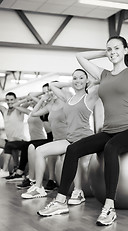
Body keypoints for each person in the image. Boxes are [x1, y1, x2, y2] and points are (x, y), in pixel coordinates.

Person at [37, 36, 128, 226]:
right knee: (73, 150)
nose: (112, 52)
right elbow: (81, 56)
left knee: (110, 148)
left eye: (116, 49)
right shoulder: (103, 74)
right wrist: (105, 52)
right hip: (108, 130)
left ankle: (109, 207)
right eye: (109, 49)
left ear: (125, 50)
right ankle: (61, 201)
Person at [21, 69, 99, 202]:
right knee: (40, 151)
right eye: (75, 78)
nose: (77, 80)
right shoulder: (68, 99)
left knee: (74, 152)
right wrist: (72, 83)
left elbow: (104, 80)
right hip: (69, 138)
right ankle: (38, 187)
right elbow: (52, 85)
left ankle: (78, 191)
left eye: (81, 78)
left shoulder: (89, 97)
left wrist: (89, 82)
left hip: (84, 137)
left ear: (87, 80)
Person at [0, 92, 26, 178]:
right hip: (10, 141)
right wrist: (5, 100)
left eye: (12, 100)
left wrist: (17, 99)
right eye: (7, 100)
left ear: (15, 100)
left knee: (9, 145)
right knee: (9, 144)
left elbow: (28, 99)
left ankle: (5, 170)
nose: (9, 102)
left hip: (20, 140)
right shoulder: (4, 111)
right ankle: (15, 167)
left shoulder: (19, 110)